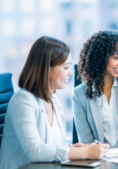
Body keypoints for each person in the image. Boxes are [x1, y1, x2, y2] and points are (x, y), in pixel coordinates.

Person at [0, 36, 109, 169]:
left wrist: (70, 149)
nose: (70, 73)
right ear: (46, 69)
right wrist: (85, 152)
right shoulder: (22, 101)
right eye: (65, 67)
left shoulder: (54, 101)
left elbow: (51, 146)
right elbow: (35, 151)